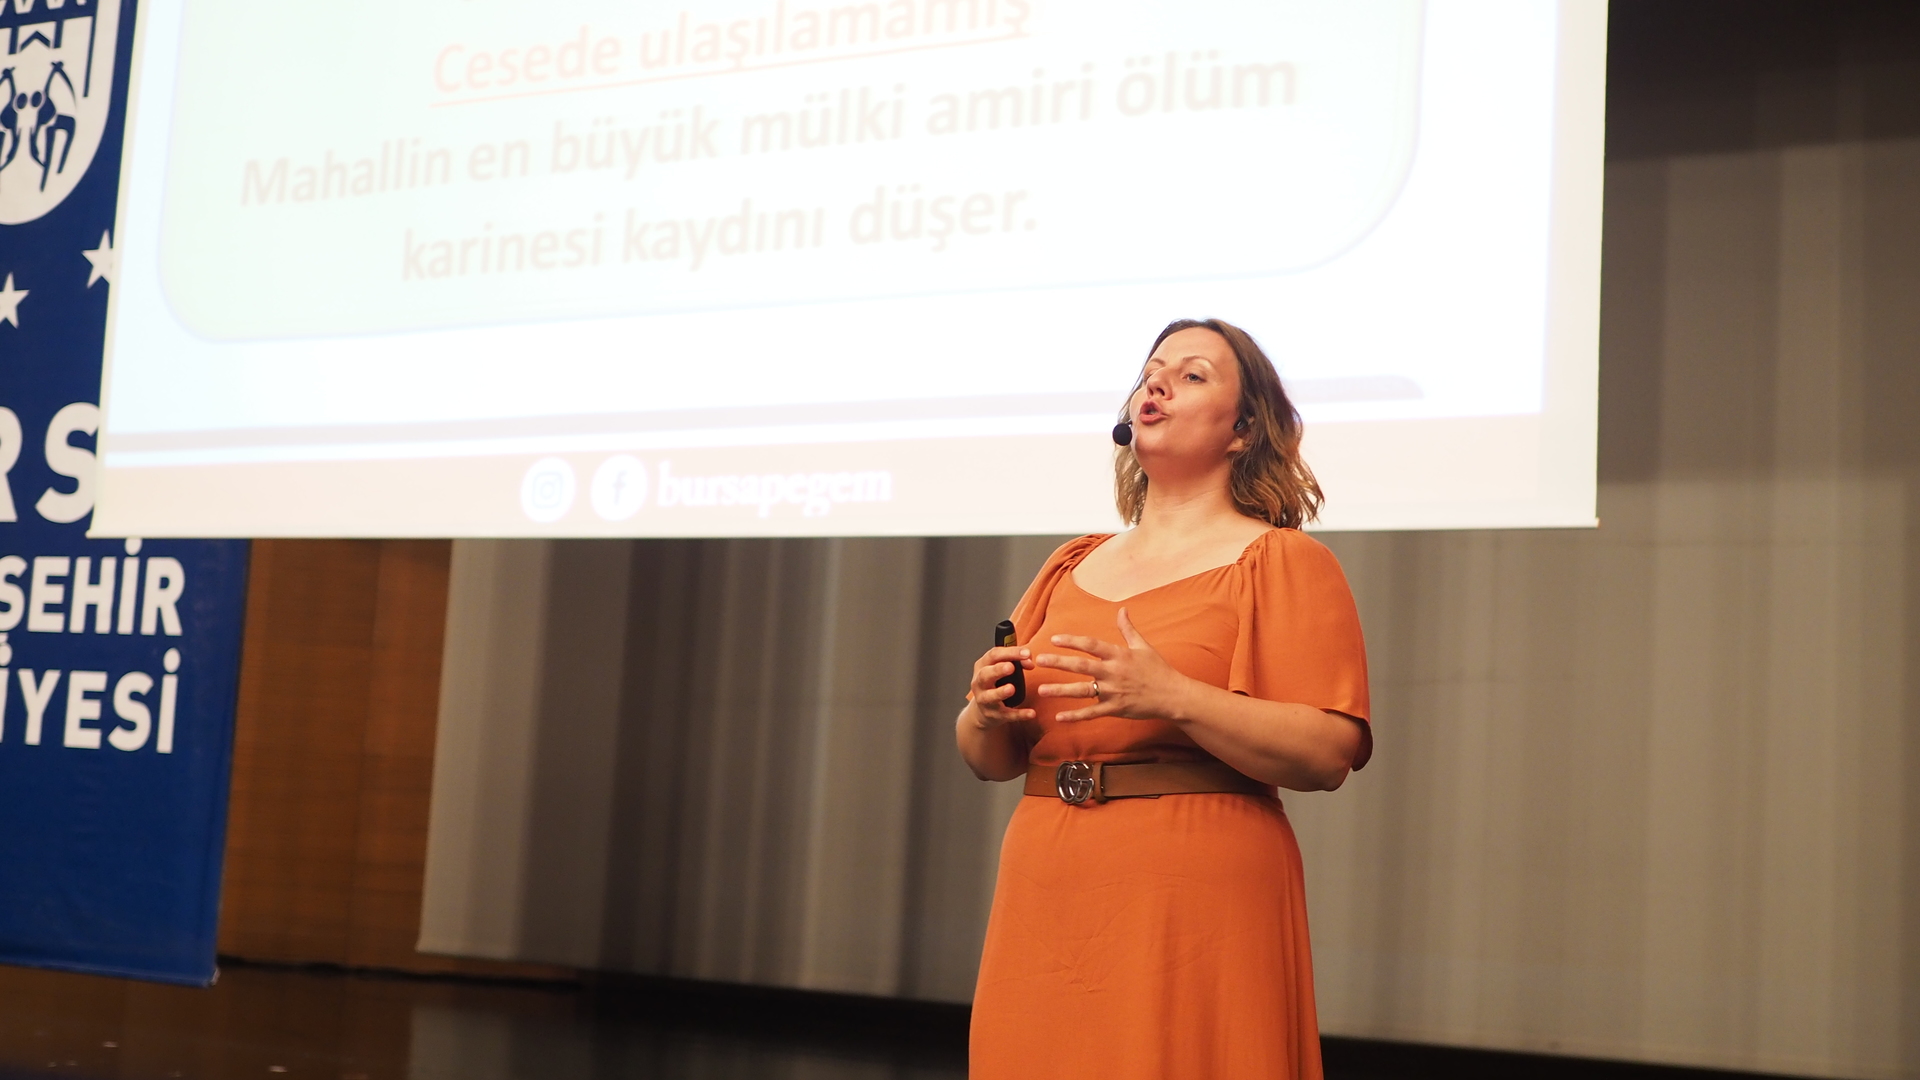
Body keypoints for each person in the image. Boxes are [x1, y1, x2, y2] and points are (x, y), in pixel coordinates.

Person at [957, 318, 1371, 1079]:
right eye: (1152, 371)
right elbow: (990, 759)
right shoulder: (1069, 564)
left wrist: (1175, 697)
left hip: (1190, 892)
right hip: (1048, 881)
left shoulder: (1282, 561)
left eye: (1192, 375)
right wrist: (983, 712)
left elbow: (1327, 754)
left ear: (1244, 430)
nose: (1158, 384)